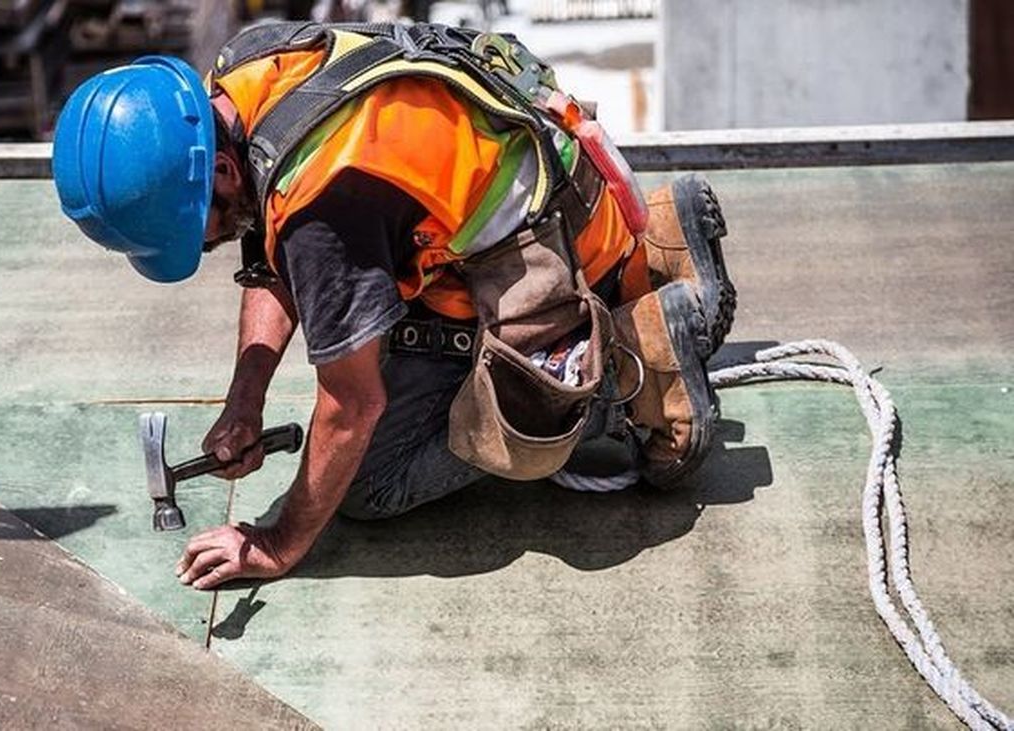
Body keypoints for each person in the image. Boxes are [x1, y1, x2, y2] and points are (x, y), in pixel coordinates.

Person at [52, 22, 735, 590]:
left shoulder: (325, 206)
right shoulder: (244, 74)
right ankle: (658, 243)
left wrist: (278, 542)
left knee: (371, 482)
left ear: (222, 170)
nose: (203, 247)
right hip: (567, 192)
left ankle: (631, 368)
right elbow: (268, 245)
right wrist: (245, 399)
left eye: (195, 231)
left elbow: (353, 405)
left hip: (550, 263)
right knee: (360, 324)